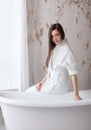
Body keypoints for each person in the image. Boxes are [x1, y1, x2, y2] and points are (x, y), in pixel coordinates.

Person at [26, 23, 82, 100]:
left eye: (57, 35)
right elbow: (51, 71)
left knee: (29, 93)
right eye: (52, 36)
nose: (54, 38)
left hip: (60, 86)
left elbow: (73, 73)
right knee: (28, 91)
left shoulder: (66, 51)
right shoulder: (55, 49)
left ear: (62, 34)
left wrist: (76, 94)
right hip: (51, 82)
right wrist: (42, 82)